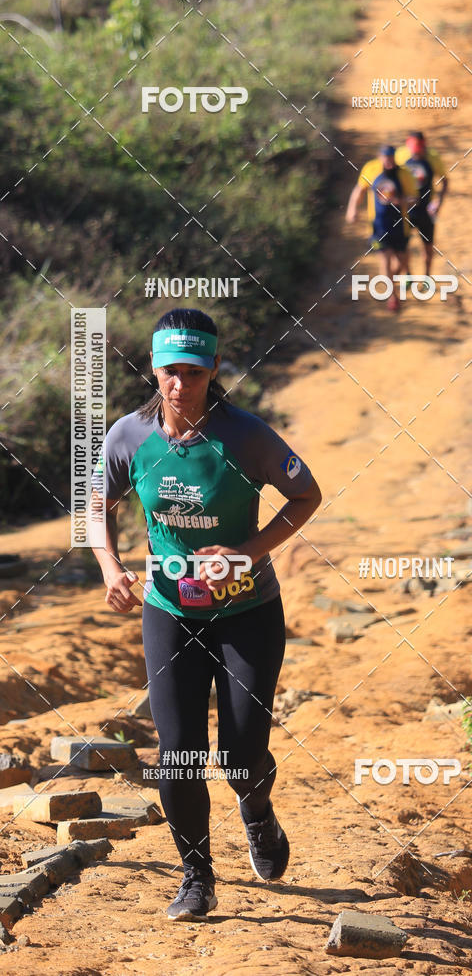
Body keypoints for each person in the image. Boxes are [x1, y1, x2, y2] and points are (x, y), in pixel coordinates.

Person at [90, 307, 322, 922]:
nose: (180, 384)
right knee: (178, 753)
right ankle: (197, 876)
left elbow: (307, 494)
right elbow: (96, 506)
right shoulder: (127, 438)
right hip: (170, 611)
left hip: (248, 610)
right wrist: (111, 568)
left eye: (193, 371)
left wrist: (245, 553)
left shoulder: (245, 436)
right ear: (153, 370)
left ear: (214, 368)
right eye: (170, 371)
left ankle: (257, 811)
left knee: (241, 757)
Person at [346, 143, 417, 312]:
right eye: (386, 159)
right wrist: (352, 209)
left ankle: (394, 278)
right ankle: (393, 298)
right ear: (379, 157)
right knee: (384, 259)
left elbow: (415, 198)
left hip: (401, 226)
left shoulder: (404, 174)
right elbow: (360, 190)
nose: (389, 163)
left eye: (392, 159)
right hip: (378, 226)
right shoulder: (371, 169)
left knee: (402, 260)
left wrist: (402, 201)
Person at [394, 130, 449, 276]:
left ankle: (427, 277)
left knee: (428, 248)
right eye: (413, 151)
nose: (416, 154)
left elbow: (445, 181)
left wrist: (439, 203)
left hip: (426, 210)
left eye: (419, 151)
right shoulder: (400, 156)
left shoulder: (433, 157)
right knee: (403, 247)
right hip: (406, 211)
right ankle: (408, 275)